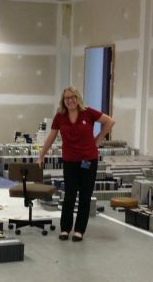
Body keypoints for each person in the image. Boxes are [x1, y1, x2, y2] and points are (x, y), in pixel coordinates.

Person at [37, 86, 115, 242]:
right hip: (70, 161)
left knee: (85, 196)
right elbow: (51, 137)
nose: (70, 100)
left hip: (88, 160)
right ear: (63, 101)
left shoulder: (88, 112)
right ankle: (65, 229)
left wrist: (98, 140)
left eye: (72, 97)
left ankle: (79, 230)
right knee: (70, 196)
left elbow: (110, 121)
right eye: (67, 98)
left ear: (77, 98)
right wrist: (41, 155)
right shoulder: (60, 116)